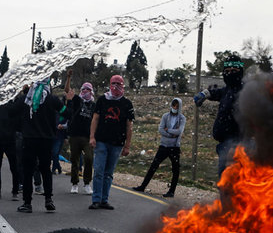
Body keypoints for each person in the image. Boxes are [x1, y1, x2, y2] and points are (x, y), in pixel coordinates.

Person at [194, 54, 245, 178]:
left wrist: (237, 145)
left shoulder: (245, 91)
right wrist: (205, 94)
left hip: (235, 145)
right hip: (223, 144)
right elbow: (216, 93)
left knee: (229, 181)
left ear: (240, 72)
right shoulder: (227, 90)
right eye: (227, 71)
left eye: (234, 71)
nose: (230, 74)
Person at [17, 78, 63, 213]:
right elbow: (66, 112)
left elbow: (12, 111)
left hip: (29, 140)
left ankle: (27, 203)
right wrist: (70, 102)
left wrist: (23, 93)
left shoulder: (27, 99)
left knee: (28, 172)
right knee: (45, 170)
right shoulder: (52, 100)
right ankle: (48, 199)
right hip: (46, 140)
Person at [89, 75, 134, 210]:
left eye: (118, 84)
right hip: (101, 140)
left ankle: (104, 199)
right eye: (113, 83)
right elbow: (95, 119)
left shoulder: (127, 104)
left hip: (117, 143)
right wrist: (92, 137)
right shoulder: (102, 100)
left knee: (108, 173)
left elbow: (129, 126)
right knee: (98, 171)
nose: (115, 87)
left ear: (123, 86)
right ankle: (96, 199)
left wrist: (127, 145)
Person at [133, 98, 186, 197]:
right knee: (154, 166)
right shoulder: (165, 116)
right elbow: (161, 129)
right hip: (164, 145)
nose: (174, 108)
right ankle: (143, 186)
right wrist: (171, 134)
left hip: (174, 147)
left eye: (177, 106)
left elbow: (179, 132)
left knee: (175, 169)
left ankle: (171, 191)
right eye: (173, 105)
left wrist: (168, 130)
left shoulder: (182, 118)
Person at [63, 70, 95, 195]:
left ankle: (87, 183)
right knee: (75, 160)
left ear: (91, 91)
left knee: (88, 158)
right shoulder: (77, 100)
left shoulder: (93, 105)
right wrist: (69, 77)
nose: (85, 91)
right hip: (75, 135)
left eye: (87, 89)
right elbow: (67, 90)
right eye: (83, 89)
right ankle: (74, 183)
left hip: (87, 137)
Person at [0, 101, 20, 200]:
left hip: (9, 141)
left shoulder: (11, 108)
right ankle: (1, 191)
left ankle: (13, 191)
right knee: (1, 167)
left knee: (11, 167)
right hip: (2, 141)